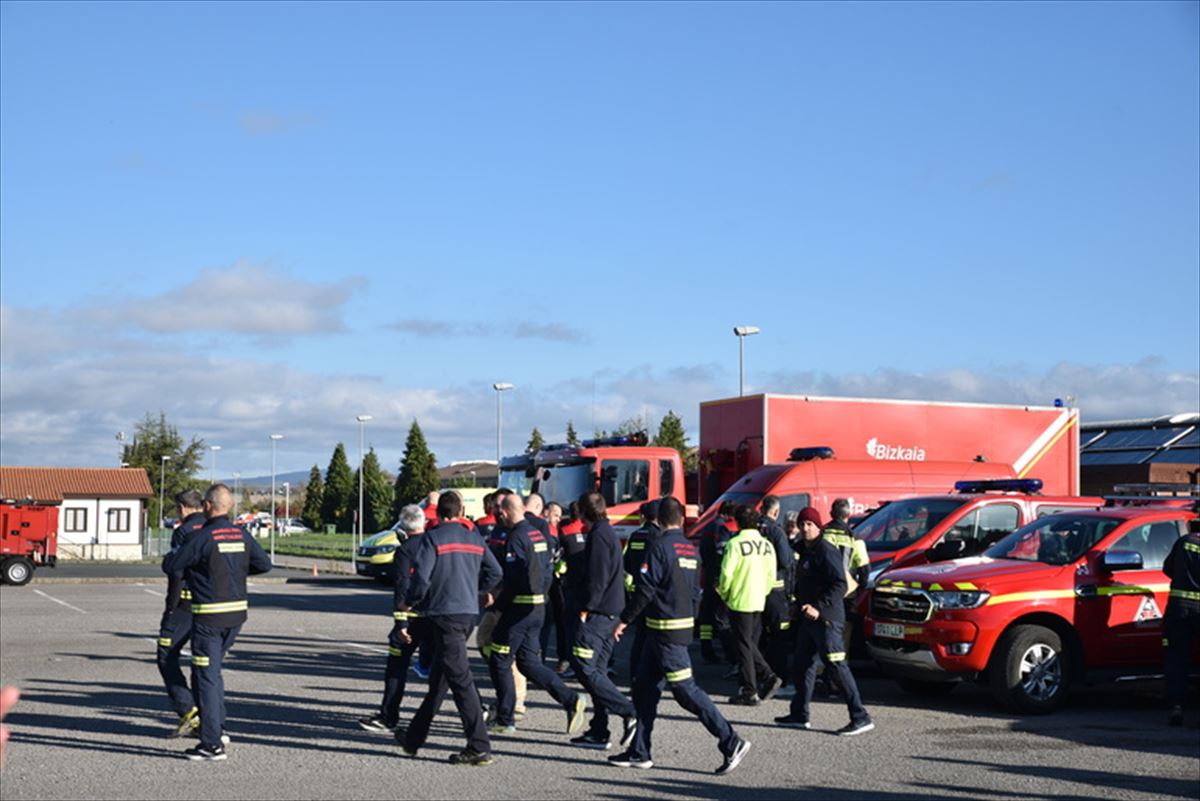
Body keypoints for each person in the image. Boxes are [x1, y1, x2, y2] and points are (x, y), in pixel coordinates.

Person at [611, 497, 751, 775]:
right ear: (681, 519)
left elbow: (646, 588)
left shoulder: (659, 546)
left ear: (659, 519)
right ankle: (640, 751)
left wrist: (624, 620)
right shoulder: (689, 548)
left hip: (666, 630)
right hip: (671, 628)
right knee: (644, 688)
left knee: (686, 691)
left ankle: (730, 740)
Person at [162, 483, 273, 760]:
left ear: (208, 506)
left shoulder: (204, 537)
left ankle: (211, 744)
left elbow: (173, 566)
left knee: (206, 676)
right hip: (236, 617)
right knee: (214, 673)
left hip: (209, 618)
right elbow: (264, 565)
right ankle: (218, 729)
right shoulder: (241, 534)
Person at [397, 491, 503, 766]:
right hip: (468, 614)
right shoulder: (474, 537)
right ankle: (412, 739)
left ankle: (479, 746)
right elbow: (496, 572)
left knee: (460, 681)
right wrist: (477, 591)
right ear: (460, 511)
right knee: (440, 681)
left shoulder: (433, 538)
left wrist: (410, 603)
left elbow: (421, 580)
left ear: (440, 514)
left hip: (444, 616)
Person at [486, 494, 587, 736]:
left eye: (501, 512)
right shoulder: (538, 535)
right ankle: (570, 699)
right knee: (529, 663)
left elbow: (513, 581)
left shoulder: (516, 538)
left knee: (499, 660)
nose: (500, 517)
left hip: (519, 611)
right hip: (539, 609)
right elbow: (548, 571)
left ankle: (505, 718)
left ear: (509, 512)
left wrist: (498, 605)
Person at [775, 507, 873, 736]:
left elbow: (840, 584)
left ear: (818, 526)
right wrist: (796, 604)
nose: (805, 528)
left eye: (810, 524)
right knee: (802, 665)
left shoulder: (825, 550)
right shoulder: (803, 549)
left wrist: (818, 608)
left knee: (837, 666)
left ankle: (860, 716)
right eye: (803, 524)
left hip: (827, 619)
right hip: (808, 619)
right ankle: (800, 715)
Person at [569, 492, 638, 750]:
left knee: (585, 666)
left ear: (585, 513)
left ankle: (628, 711)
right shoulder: (607, 532)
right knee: (597, 671)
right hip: (611, 611)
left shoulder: (598, 535)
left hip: (599, 614)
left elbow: (598, 577)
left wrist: (587, 606)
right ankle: (599, 730)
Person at [358, 504, 430, 733]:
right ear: (424, 522)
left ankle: (389, 716)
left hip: (410, 618)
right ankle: (478, 710)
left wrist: (401, 624)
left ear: (402, 526)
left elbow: (402, 587)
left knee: (396, 668)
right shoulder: (434, 544)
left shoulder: (405, 550)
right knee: (452, 668)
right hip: (437, 618)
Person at [719, 505, 782, 706]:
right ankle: (760, 681)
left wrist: (725, 594)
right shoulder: (766, 545)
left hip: (739, 599)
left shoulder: (735, 544)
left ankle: (753, 687)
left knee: (744, 645)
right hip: (759, 598)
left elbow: (726, 575)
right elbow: (772, 575)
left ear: (737, 522)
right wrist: (763, 591)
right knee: (749, 642)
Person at [158, 489, 207, 738]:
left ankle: (188, 712)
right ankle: (210, 718)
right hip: (211, 606)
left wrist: (170, 606)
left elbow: (176, 572)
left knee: (166, 655)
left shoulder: (184, 531)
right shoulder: (213, 528)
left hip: (184, 606)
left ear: (183, 508)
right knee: (205, 663)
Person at [1163, 518, 1200, 726]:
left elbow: (1167, 569)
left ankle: (1176, 706)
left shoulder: (1184, 542)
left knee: (1177, 659)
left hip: (1179, 608)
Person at [757, 495, 795, 692]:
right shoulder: (776, 531)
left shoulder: (752, 529)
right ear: (776, 511)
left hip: (754, 591)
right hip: (775, 591)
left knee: (758, 635)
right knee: (779, 637)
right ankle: (779, 678)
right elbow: (786, 561)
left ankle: (760, 677)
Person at [622, 500, 662, 683]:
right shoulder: (659, 536)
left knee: (640, 638)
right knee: (655, 638)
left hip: (638, 591)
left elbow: (627, 564)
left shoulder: (635, 535)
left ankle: (634, 675)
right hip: (654, 594)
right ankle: (651, 677)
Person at [698, 502, 738, 665]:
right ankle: (731, 656)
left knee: (706, 617)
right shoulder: (721, 528)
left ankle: (706, 649)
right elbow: (721, 555)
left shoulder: (707, 527)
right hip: (716, 578)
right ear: (729, 514)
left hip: (707, 576)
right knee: (722, 618)